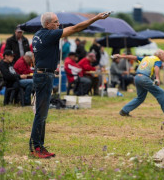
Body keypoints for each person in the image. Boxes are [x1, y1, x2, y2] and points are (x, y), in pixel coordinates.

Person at [29, 11, 110, 159]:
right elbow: (76, 28)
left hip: (41, 74)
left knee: (41, 114)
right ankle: (36, 147)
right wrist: (96, 18)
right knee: (41, 114)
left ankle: (39, 145)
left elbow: (35, 56)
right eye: (55, 22)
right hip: (44, 76)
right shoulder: (50, 34)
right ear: (47, 24)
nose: (58, 24)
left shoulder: (37, 35)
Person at [115, 49, 164, 119]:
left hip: (137, 78)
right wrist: (157, 78)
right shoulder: (157, 60)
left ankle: (124, 111)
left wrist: (121, 56)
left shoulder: (146, 58)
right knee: (160, 92)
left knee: (140, 98)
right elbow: (156, 67)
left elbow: (133, 57)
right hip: (144, 78)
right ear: (159, 55)